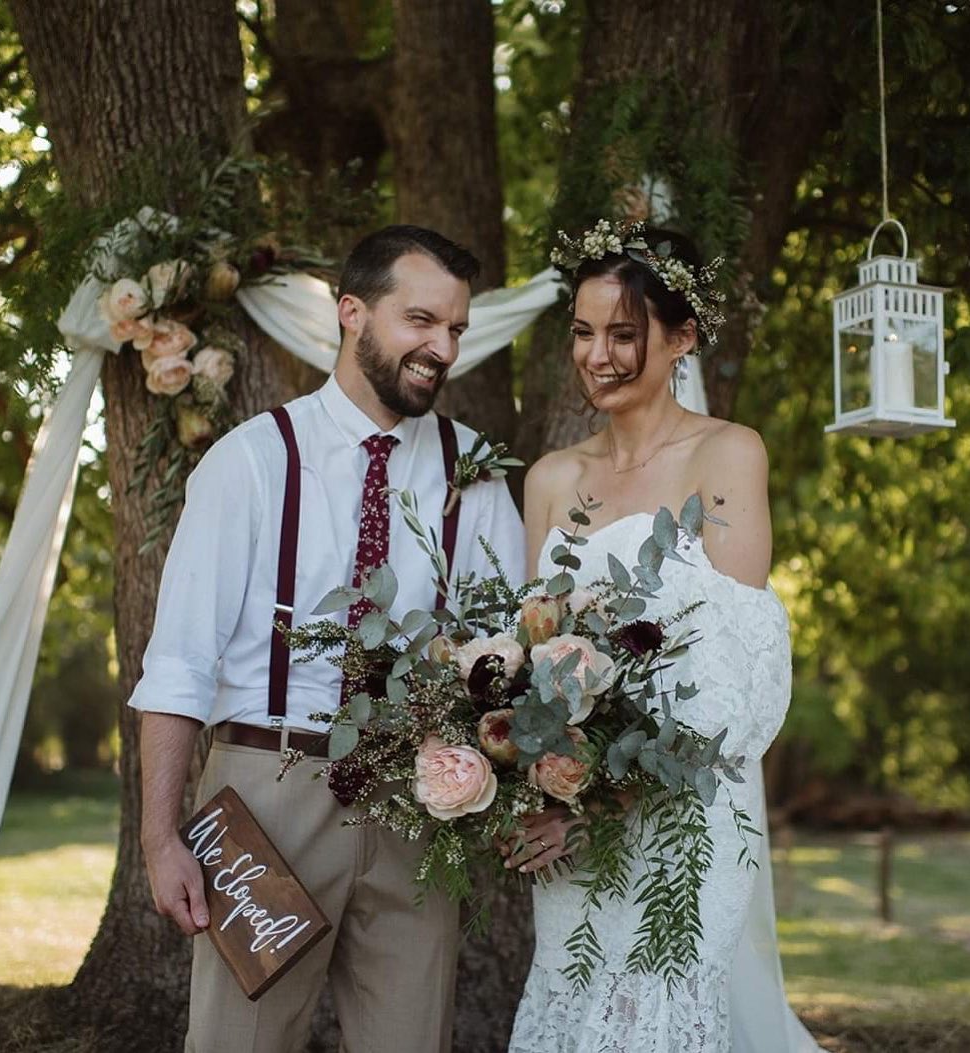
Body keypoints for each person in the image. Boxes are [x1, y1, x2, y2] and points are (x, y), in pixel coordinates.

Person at [130, 224, 525, 1053]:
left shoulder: (476, 470)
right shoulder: (251, 460)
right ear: (351, 312)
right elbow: (179, 663)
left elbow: (504, 650)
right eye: (420, 320)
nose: (442, 348)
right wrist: (160, 836)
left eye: (455, 328)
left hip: (417, 800)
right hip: (266, 793)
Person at [506, 221, 822, 1052]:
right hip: (570, 820)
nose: (596, 355)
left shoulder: (727, 455)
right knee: (573, 998)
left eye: (622, 334)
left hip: (685, 813)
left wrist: (603, 803)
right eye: (582, 332)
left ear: (681, 337)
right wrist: (534, 779)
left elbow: (733, 668)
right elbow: (534, 650)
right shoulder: (551, 478)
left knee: (662, 1010)